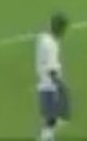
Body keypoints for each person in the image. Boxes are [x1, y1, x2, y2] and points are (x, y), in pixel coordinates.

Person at [35, 13, 71, 141]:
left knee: (50, 121)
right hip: (50, 86)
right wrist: (62, 87)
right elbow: (52, 71)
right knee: (51, 121)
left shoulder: (43, 39)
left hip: (45, 84)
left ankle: (48, 136)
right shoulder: (51, 45)